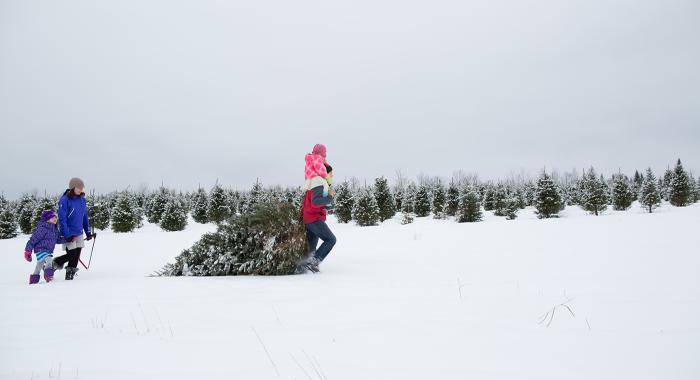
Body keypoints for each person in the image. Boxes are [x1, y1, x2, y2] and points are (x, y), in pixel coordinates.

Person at [300, 144, 337, 273]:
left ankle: (303, 265)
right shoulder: (317, 181)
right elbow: (316, 202)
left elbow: (313, 202)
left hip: (310, 217)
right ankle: (313, 263)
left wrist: (328, 203)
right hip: (313, 218)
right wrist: (330, 197)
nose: (331, 176)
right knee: (331, 239)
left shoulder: (314, 179)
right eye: (330, 174)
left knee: (311, 248)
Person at [53, 177, 95, 280]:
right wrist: (67, 235)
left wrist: (88, 232)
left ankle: (70, 276)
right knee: (71, 254)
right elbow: (62, 219)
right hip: (69, 232)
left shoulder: (82, 200)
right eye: (78, 187)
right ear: (72, 187)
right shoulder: (65, 200)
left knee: (76, 255)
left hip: (79, 232)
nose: (81, 189)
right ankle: (55, 263)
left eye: (82, 187)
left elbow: (84, 217)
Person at [24, 210, 65, 284]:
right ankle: (48, 276)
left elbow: (58, 240)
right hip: (40, 249)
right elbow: (33, 239)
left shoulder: (55, 230)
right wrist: (28, 251)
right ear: (47, 219)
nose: (55, 218)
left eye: (56, 217)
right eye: (52, 217)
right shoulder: (43, 228)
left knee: (39, 265)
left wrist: (67, 240)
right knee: (49, 260)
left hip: (48, 250)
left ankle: (34, 279)